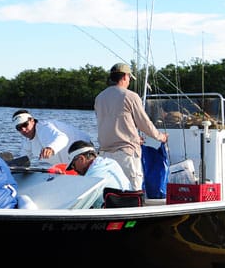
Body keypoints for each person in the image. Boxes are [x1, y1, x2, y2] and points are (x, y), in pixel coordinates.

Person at [94, 62, 168, 191]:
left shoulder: (99, 97)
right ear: (124, 77)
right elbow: (144, 123)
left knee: (110, 192)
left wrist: (133, 136)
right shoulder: (130, 96)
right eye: (129, 77)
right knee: (133, 191)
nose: (129, 81)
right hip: (125, 154)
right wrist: (160, 137)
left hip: (104, 154)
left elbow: (109, 123)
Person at [12, 109, 92, 166]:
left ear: (32, 120)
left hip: (87, 154)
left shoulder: (44, 128)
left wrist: (50, 148)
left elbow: (63, 138)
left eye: (25, 124)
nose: (23, 129)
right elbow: (23, 159)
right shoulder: (27, 141)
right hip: (70, 165)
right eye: (19, 128)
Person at [66, 140, 131, 207]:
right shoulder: (112, 162)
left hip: (109, 212)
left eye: (73, 165)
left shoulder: (92, 178)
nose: (74, 169)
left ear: (81, 159)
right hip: (127, 205)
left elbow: (77, 205)